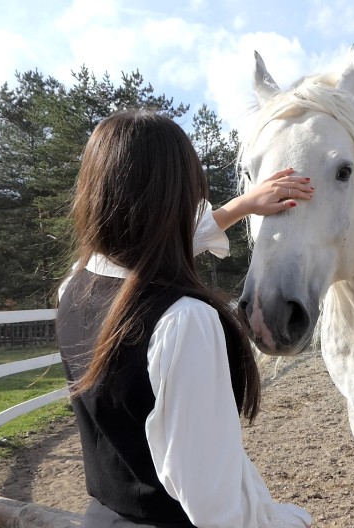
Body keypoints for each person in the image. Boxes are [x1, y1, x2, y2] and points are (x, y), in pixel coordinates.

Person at [56, 109, 315, 528]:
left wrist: (242, 206)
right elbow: (215, 506)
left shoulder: (75, 287)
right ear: (177, 196)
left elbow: (153, 248)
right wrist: (291, 521)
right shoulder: (184, 321)